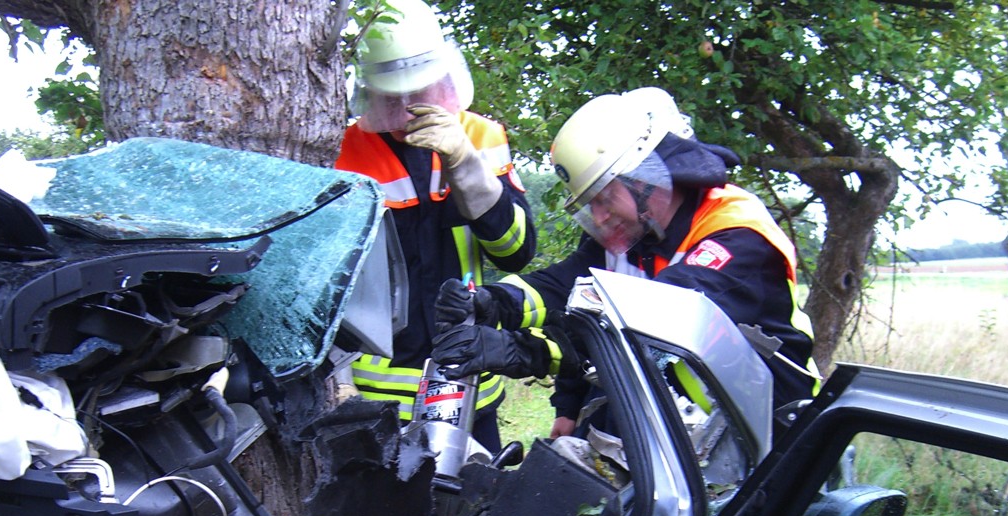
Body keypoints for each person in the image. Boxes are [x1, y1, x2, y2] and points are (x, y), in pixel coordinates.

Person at [430, 87, 819, 439]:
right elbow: (566, 287)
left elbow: (649, 325)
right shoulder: (635, 230)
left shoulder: (736, 233)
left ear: (645, 179)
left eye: (604, 198)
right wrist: (495, 301)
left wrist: (525, 351)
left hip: (770, 433)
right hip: (683, 425)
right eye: (590, 205)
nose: (599, 217)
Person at [335, 0, 536, 453]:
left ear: (443, 79)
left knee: (477, 496)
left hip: (468, 387)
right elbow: (328, 285)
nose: (406, 110)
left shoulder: (480, 137)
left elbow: (516, 251)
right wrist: (340, 381)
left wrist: (466, 166)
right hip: (376, 401)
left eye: (418, 93)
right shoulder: (344, 153)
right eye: (392, 98)